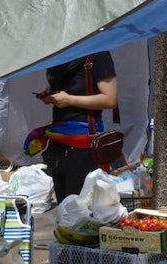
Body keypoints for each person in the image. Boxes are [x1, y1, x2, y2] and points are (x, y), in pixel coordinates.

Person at [36, 52, 120, 200]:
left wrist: (70, 100)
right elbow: (76, 83)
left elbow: (110, 99)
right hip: (58, 142)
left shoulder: (98, 54)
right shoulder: (64, 51)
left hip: (83, 145)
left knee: (80, 209)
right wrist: (51, 91)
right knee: (64, 208)